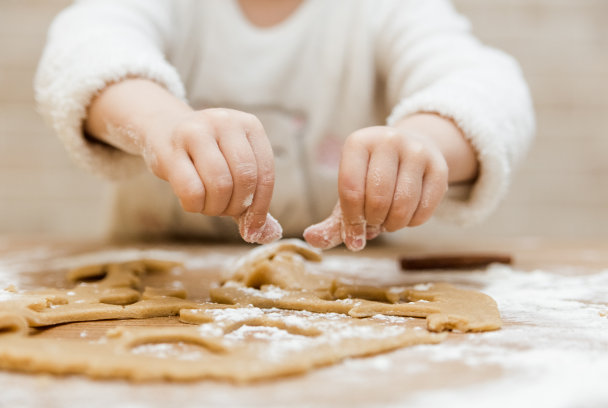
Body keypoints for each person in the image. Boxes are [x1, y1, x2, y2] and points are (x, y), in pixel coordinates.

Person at [35, 0, 534, 251]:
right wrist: (160, 123)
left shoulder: (385, 10)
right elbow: (83, 49)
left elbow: (488, 85)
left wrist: (428, 140)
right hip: (155, 277)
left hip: (355, 292)